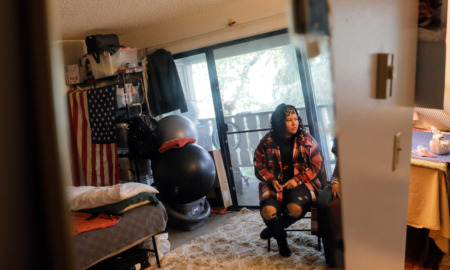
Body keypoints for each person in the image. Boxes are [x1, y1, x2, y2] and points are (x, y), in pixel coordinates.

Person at [254, 103, 324, 257]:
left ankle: (274, 229)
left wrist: (299, 179)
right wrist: (271, 180)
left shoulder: (305, 139)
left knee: (295, 208)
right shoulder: (267, 141)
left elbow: (317, 163)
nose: (295, 123)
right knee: (268, 211)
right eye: (289, 120)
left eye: (296, 119)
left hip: (302, 183)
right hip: (275, 182)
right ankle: (281, 239)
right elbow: (258, 164)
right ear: (280, 122)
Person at [317, 139, 343, 268]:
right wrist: (335, 183)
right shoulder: (343, 157)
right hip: (343, 190)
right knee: (326, 204)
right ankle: (333, 258)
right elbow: (335, 176)